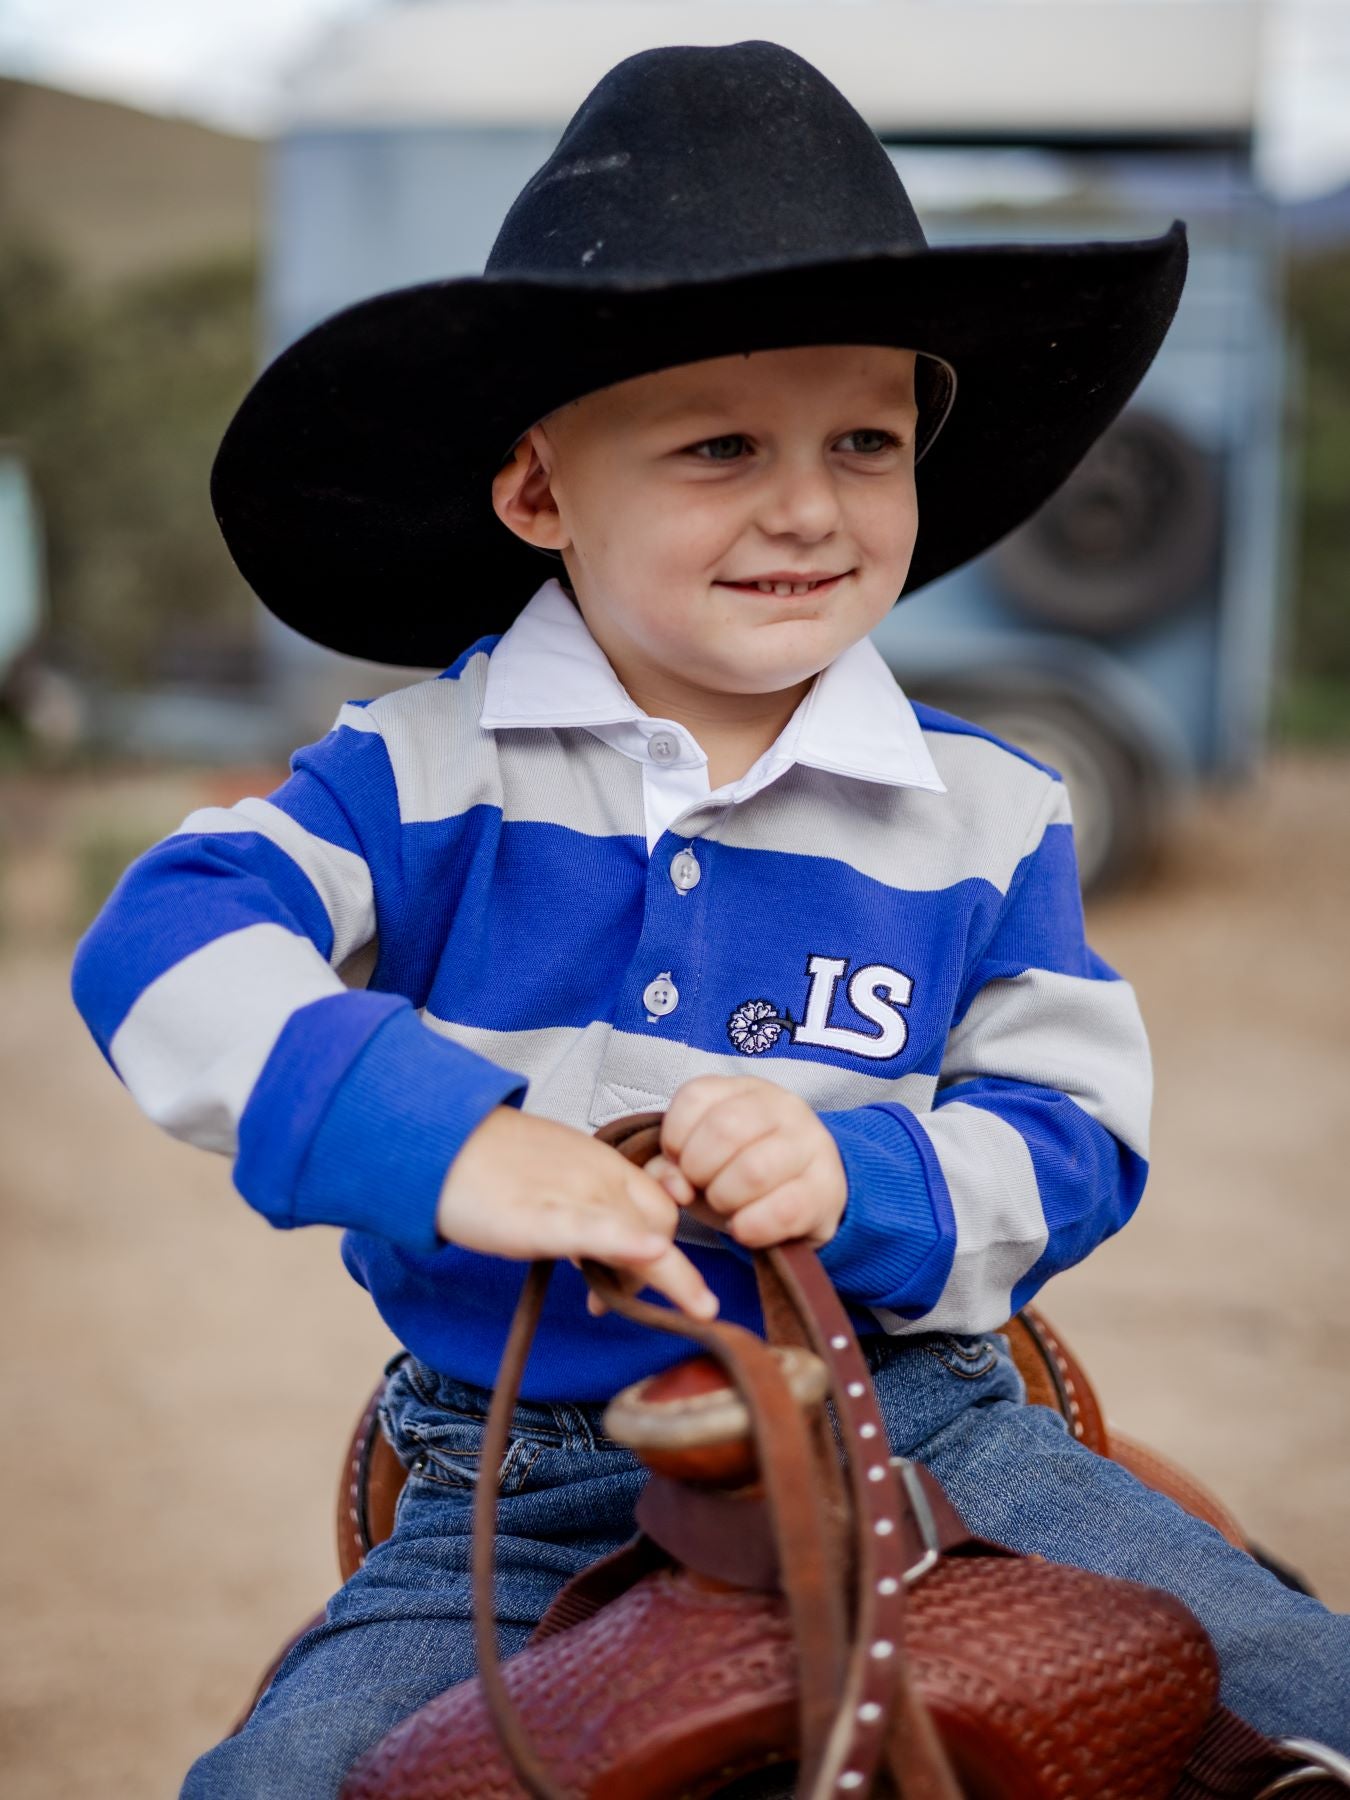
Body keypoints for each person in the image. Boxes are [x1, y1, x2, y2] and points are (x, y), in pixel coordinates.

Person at [69, 38, 1350, 1798]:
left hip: (927, 1421)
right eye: (719, 443)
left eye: (865, 440)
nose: (809, 504)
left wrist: (863, 1182)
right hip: (510, 1487)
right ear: (537, 489)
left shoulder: (989, 812)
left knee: (1302, 1687)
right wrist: (458, 1144)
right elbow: (165, 935)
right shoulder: (423, 772)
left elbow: (1075, 1131)